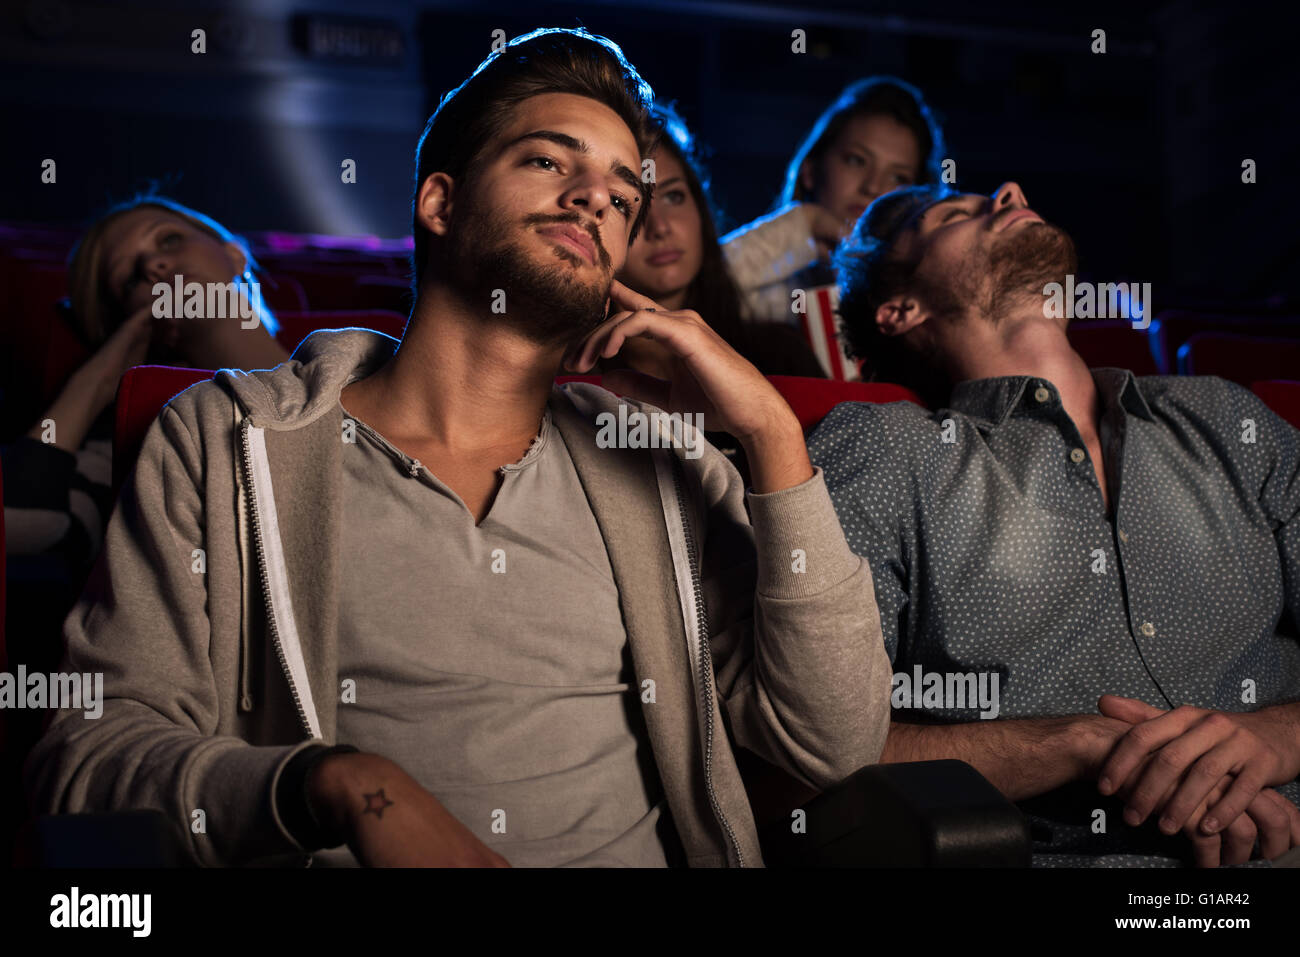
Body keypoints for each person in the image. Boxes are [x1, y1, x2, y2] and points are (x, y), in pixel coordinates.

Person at [25, 27, 892, 868]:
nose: (598, 197)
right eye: (552, 161)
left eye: (624, 195)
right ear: (439, 201)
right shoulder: (220, 439)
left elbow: (833, 745)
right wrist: (336, 786)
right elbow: (90, 758)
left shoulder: (665, 461)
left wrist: (773, 434)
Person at [807, 180, 1300, 866]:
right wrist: (1080, 742)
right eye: (955, 213)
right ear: (901, 309)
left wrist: (1278, 735)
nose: (1007, 191)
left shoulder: (1228, 419)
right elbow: (813, 749)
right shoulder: (887, 449)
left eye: (998, 194)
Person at [3, 196, 288, 571]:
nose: (153, 264)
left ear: (235, 256)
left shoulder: (353, 365)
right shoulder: (127, 447)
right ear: (135, 324)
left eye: (168, 240)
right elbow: (16, 519)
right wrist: (96, 382)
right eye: (132, 280)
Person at [721, 77, 946, 379]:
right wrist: (804, 223)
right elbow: (682, 295)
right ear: (811, 170)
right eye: (856, 160)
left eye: (898, 178)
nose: (873, 187)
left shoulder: (924, 308)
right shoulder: (770, 293)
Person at [614, 102, 823, 380]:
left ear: (700, 209)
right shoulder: (568, 378)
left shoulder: (779, 355)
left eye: (673, 196)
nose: (660, 227)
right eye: (632, 205)